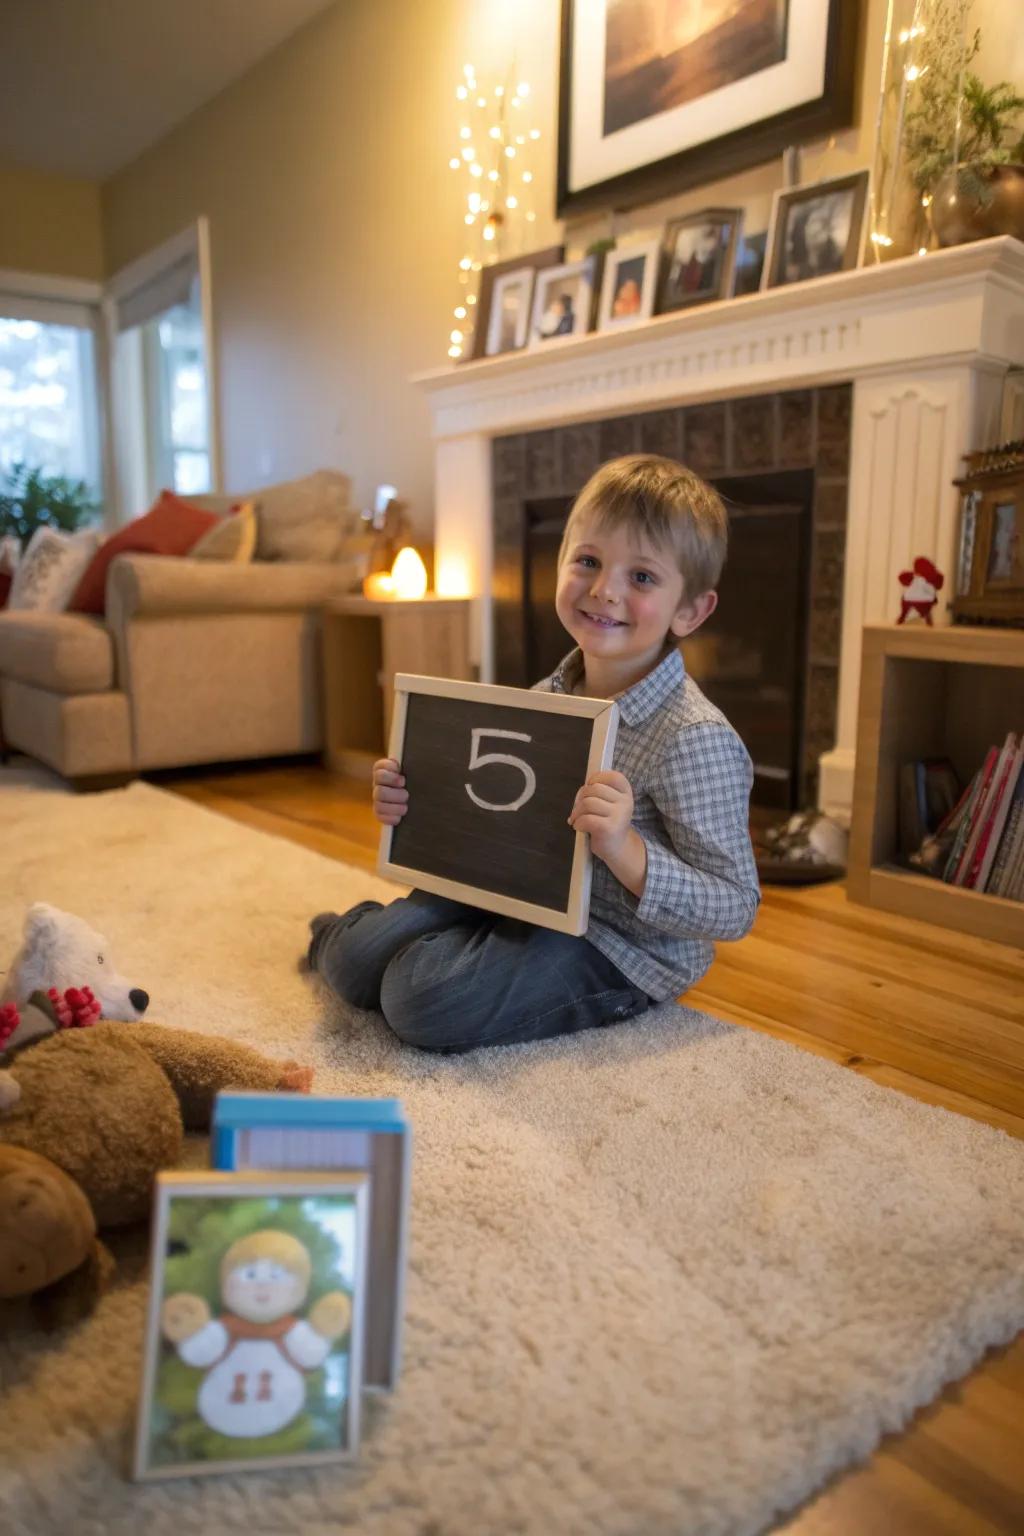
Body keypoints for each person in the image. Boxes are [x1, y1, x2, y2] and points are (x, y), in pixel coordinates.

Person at [307, 454, 760, 1053]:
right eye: (589, 561)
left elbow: (734, 907)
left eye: (642, 577)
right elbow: (485, 815)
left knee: (421, 1001)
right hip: (513, 893)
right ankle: (357, 940)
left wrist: (626, 851)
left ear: (691, 610)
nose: (604, 590)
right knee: (354, 961)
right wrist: (413, 803)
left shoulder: (694, 738)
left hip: (614, 944)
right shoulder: (545, 698)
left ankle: (408, 952)